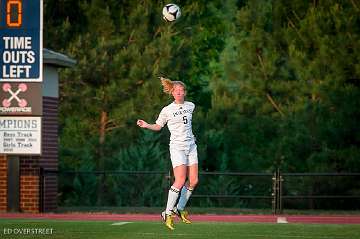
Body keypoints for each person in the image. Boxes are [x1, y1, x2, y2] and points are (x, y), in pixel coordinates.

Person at [137, 77, 199, 230]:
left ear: (184, 92)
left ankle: (179, 208)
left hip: (191, 146)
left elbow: (187, 126)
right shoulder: (167, 110)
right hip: (177, 147)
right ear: (172, 93)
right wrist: (146, 125)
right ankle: (167, 212)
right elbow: (158, 126)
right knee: (180, 180)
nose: (178, 93)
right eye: (176, 90)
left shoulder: (191, 106)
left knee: (193, 181)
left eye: (181, 90)